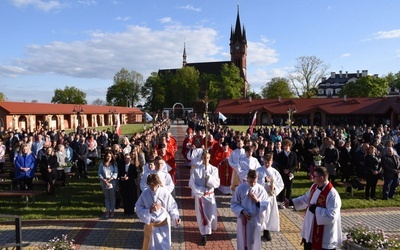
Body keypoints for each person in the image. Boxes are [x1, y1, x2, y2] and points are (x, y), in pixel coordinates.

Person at [284, 167, 342, 250]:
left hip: (324, 237)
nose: (312, 178)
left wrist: (315, 209)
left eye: (314, 176)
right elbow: (306, 198)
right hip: (310, 231)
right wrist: (291, 202)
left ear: (321, 178)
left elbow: (332, 216)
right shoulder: (314, 187)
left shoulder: (332, 195)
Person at [135, 173, 181, 250]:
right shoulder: (145, 193)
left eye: (154, 186)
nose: (152, 188)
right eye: (150, 186)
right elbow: (138, 207)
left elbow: (172, 207)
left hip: (163, 226)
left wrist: (176, 218)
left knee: (163, 247)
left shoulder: (165, 193)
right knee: (151, 247)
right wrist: (149, 210)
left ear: (158, 183)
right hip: (151, 227)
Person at [230, 169, 270, 250]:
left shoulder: (260, 189)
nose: (252, 184)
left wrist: (257, 201)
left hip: (254, 219)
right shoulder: (240, 188)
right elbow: (234, 203)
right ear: (247, 178)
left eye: (254, 182)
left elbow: (266, 202)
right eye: (251, 182)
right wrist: (242, 211)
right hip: (243, 219)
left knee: (253, 241)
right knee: (242, 240)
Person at [189, 151, 220, 245]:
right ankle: (204, 234)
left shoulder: (214, 169)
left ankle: (208, 230)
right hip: (200, 196)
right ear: (202, 157)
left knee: (210, 215)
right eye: (204, 157)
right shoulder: (196, 170)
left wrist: (209, 177)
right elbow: (191, 183)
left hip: (210, 196)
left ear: (209, 157)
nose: (206, 159)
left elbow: (217, 184)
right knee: (202, 216)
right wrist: (201, 190)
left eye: (207, 157)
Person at [257, 152, 284, 241]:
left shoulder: (275, 172)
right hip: (261, 197)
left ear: (272, 162)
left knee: (269, 214)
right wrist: (264, 180)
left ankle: (266, 231)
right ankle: (256, 230)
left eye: (268, 162)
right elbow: (254, 182)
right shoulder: (259, 170)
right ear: (263, 161)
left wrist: (274, 187)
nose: (267, 164)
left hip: (271, 196)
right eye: (265, 162)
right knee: (261, 214)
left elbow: (281, 184)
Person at [276, 139, 297, 209]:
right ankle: (282, 202)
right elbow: (278, 164)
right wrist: (284, 169)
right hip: (282, 173)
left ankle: (288, 202)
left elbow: (294, 165)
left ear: (290, 146)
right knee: (282, 188)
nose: (286, 147)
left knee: (289, 188)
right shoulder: (280, 155)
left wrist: (290, 170)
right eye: (285, 146)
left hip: (290, 174)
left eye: (287, 146)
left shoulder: (293, 155)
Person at [98, 152, 118, 218]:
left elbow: (115, 173)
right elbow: (99, 173)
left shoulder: (114, 164)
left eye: (110, 156)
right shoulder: (101, 164)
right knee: (106, 197)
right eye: (107, 156)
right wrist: (104, 180)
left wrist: (110, 180)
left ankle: (112, 210)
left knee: (112, 197)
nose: (108, 158)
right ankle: (107, 210)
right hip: (104, 182)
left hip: (111, 182)